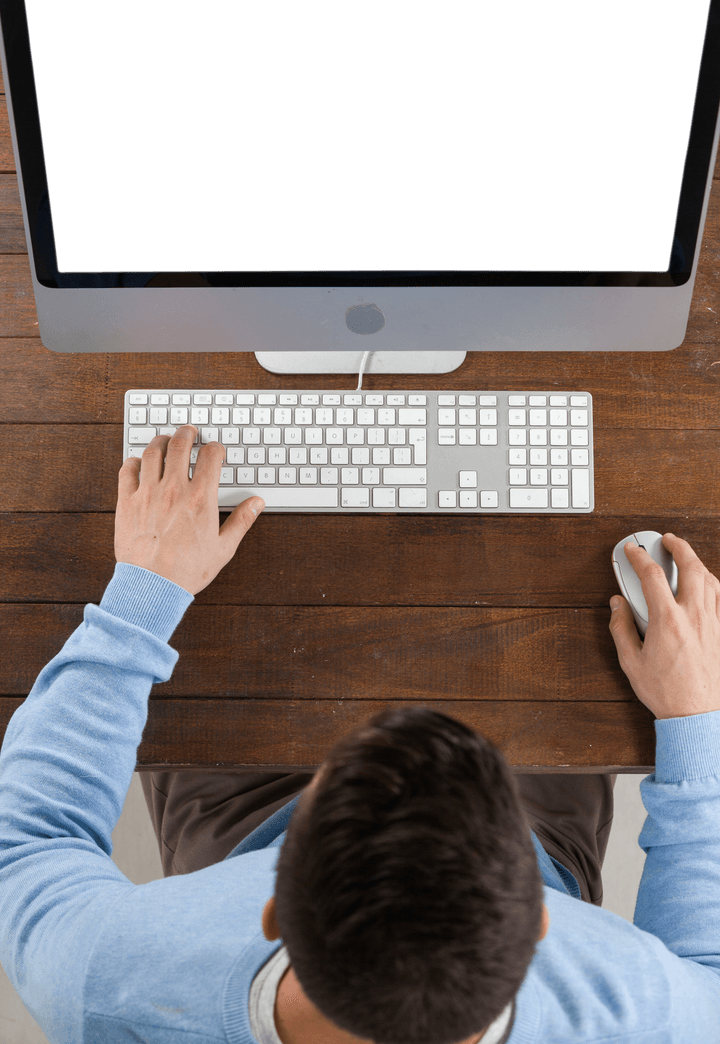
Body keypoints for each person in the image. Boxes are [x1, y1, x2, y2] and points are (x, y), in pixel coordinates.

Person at [0, 426, 718, 1043]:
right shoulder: (632, 1014)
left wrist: (142, 595)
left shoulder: (108, 983)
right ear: (537, 924)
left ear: (272, 909)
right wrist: (694, 717)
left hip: (241, 826)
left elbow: (29, 836)